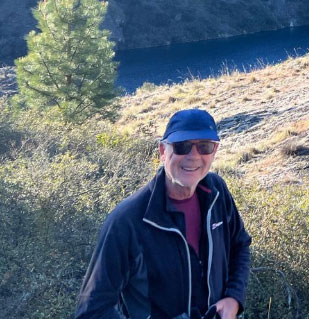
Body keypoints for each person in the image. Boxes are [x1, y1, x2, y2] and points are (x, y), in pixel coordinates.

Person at [74, 109, 252, 319]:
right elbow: (92, 311)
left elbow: (240, 246)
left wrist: (233, 297)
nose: (193, 156)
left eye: (204, 146)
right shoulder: (127, 221)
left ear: (214, 152)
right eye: (182, 146)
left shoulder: (217, 192)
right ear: (162, 151)